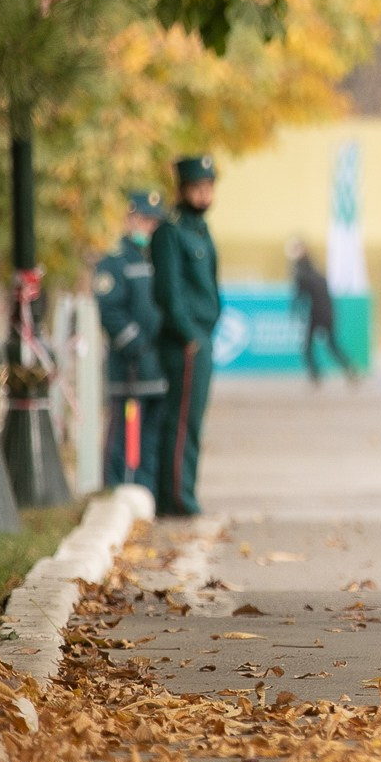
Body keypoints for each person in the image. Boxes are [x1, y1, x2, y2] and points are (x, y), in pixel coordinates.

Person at [149, 154, 222, 518]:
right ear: (182, 189)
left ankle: (183, 491)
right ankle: (177, 498)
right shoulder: (171, 231)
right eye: (197, 188)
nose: (204, 195)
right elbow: (168, 291)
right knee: (182, 422)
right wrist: (189, 335)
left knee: (193, 422)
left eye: (209, 188)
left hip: (202, 336)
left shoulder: (200, 230)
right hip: (185, 341)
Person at [93, 188, 167, 491]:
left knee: (152, 436)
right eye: (144, 220)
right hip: (129, 367)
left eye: (154, 223)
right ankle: (115, 488)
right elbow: (110, 312)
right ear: (130, 219)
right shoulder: (115, 262)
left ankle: (146, 491)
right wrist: (137, 346)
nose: (149, 228)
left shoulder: (161, 260)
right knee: (122, 433)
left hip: (159, 366)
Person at [288, 239, 358, 389]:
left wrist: (295, 310)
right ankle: (348, 369)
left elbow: (298, 293)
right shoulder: (313, 267)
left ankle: (316, 375)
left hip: (318, 312)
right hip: (327, 310)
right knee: (331, 345)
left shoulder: (300, 270)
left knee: (309, 346)